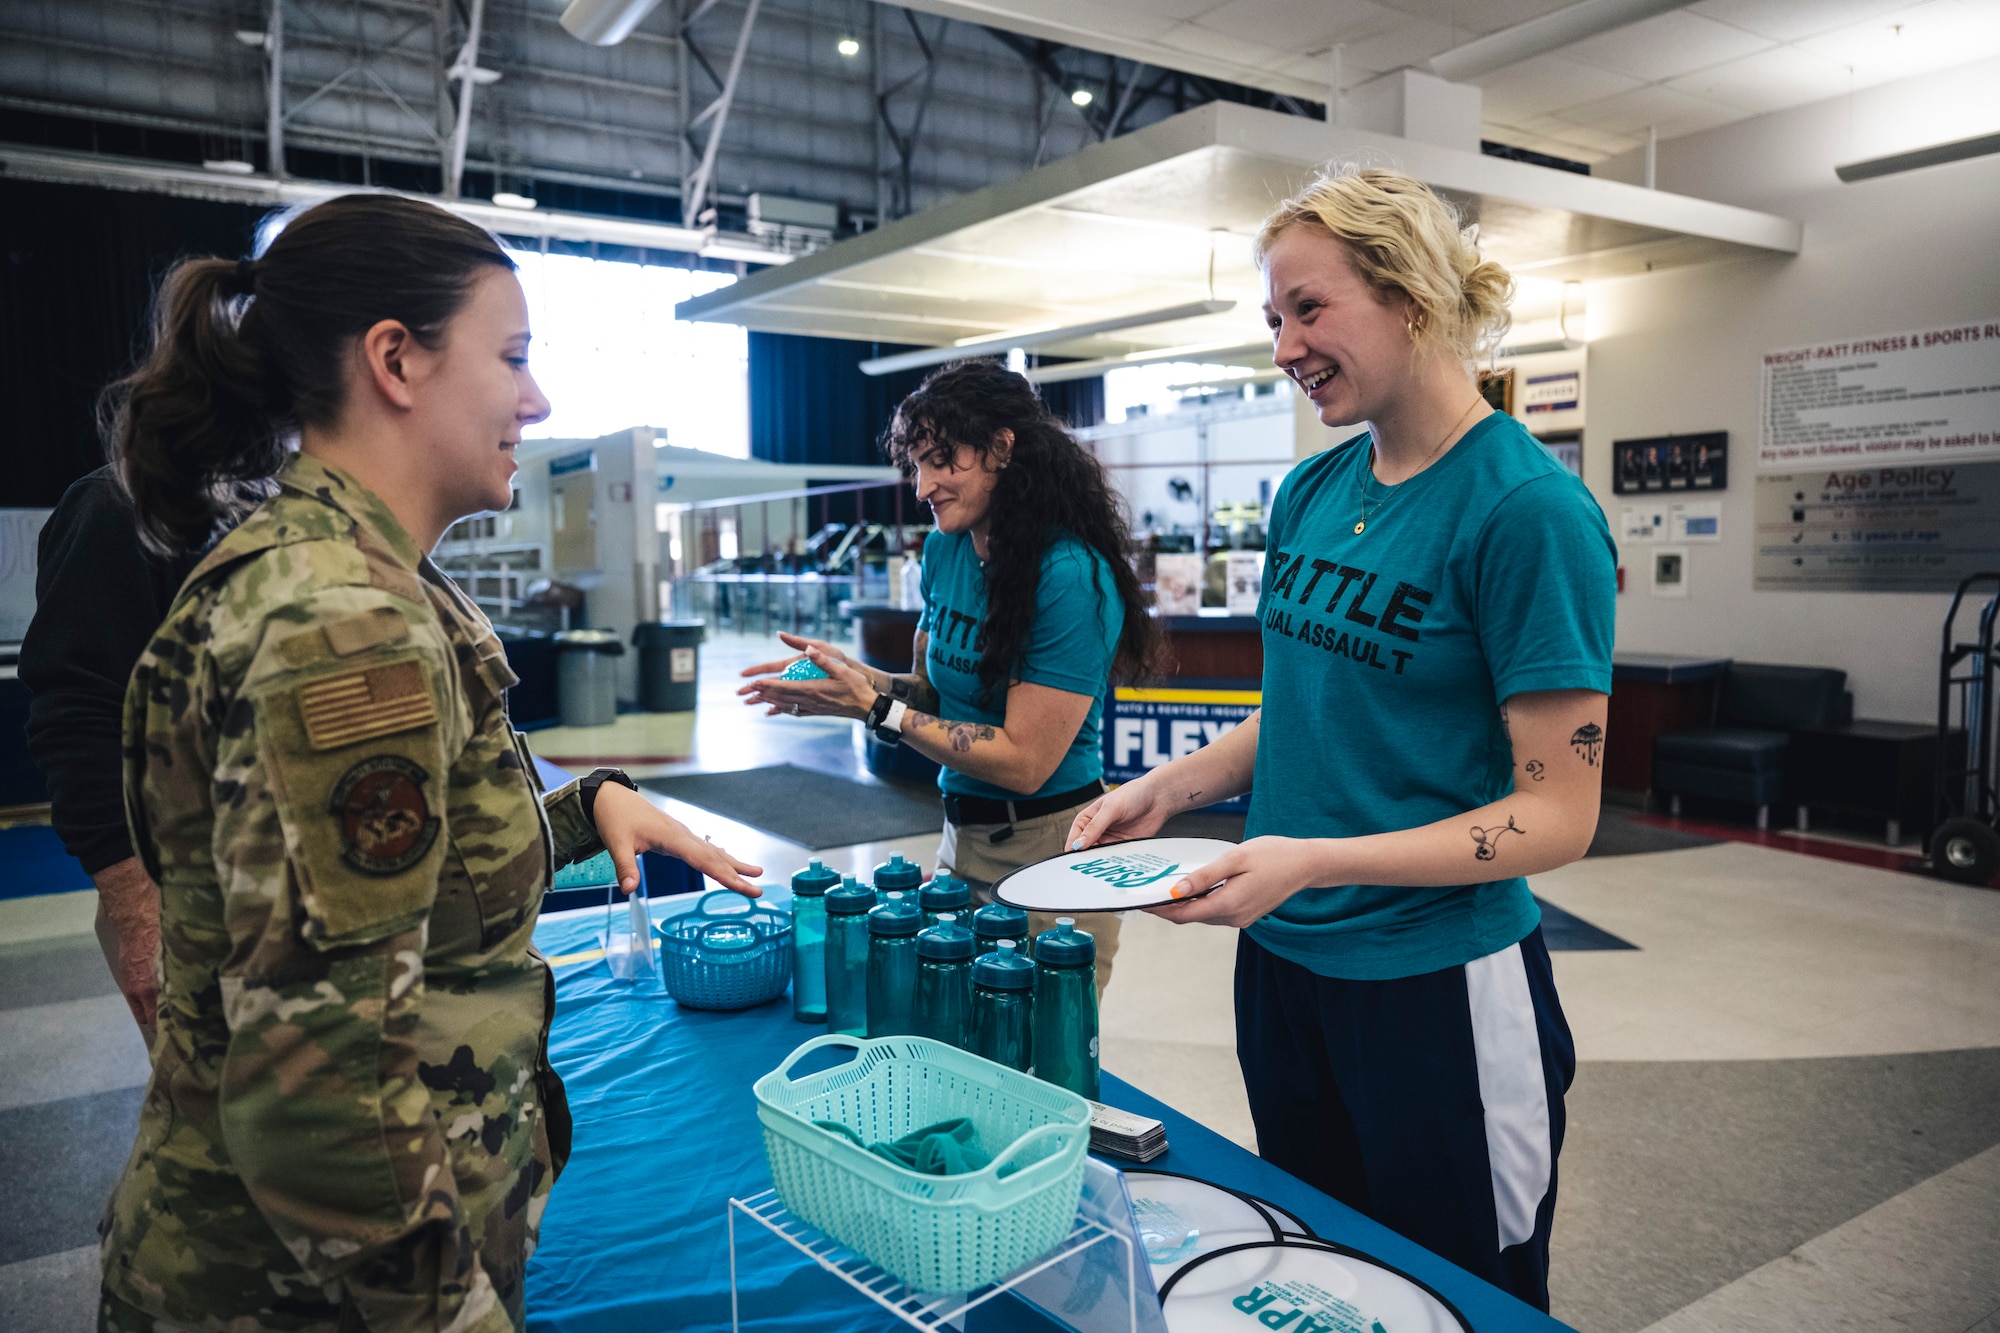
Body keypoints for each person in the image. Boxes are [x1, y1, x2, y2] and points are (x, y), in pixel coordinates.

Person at [98, 193, 762, 1333]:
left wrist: (586, 804)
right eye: (511, 356)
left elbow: (402, 863)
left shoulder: (364, 580)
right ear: (395, 361)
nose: (536, 399)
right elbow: (320, 1091)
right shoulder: (340, 622)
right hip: (298, 1294)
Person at [1067, 167, 1615, 1310]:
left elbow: (1556, 814)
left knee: (1462, 1288)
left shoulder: (1524, 513)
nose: (1281, 347)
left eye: (1307, 309)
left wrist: (1315, 857)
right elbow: (1311, 705)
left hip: (1435, 980)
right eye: (1272, 319)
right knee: (1325, 1275)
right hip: (1285, 964)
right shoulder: (1313, 492)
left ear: (1411, 297)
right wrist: (1169, 786)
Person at [737, 359, 1158, 993]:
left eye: (942, 460)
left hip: (1053, 848)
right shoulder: (945, 550)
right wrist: (851, 682)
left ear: (1002, 448)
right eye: (916, 465)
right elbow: (931, 695)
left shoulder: (1070, 575)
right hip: (962, 840)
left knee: (1038, 1064)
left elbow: (1025, 762)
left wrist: (875, 710)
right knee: (953, 1040)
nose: (923, 484)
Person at [22, 470, 206, 1047]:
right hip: (190, 900)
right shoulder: (121, 502)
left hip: (311, 906)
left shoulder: (309, 502)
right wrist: (136, 914)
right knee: (217, 1126)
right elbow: (77, 715)